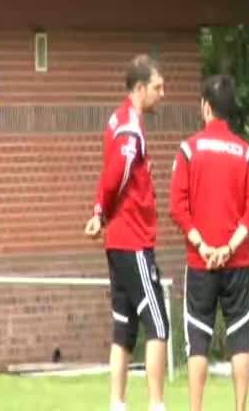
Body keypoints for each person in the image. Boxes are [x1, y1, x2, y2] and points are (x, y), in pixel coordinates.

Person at [169, 74, 249, 411]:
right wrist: (229, 247)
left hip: (200, 263)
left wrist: (204, 246)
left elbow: (177, 206)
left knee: (198, 342)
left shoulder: (189, 150)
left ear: (206, 107)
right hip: (237, 261)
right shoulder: (245, 152)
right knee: (240, 340)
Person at [85, 54, 168, 411]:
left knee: (123, 327)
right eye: (158, 87)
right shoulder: (131, 130)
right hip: (133, 239)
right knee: (158, 324)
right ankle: (156, 405)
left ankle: (117, 404)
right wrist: (101, 212)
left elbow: (114, 174)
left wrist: (100, 212)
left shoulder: (116, 119)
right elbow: (116, 175)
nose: (162, 94)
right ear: (140, 88)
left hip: (118, 242)